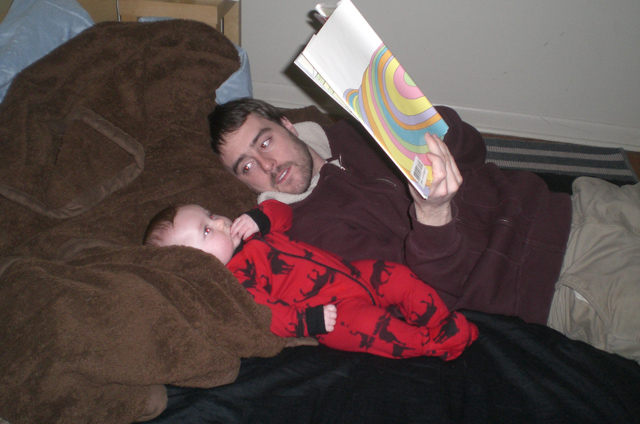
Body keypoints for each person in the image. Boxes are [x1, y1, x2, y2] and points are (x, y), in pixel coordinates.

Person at [208, 98, 640, 363]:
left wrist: (414, 112)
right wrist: (433, 214)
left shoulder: (354, 129)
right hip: (561, 281)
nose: (267, 165)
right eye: (247, 166)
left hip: (572, 203)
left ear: (287, 125)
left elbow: (472, 152)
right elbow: (427, 291)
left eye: (265, 141)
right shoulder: (308, 238)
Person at [143, 199, 478, 360]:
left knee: (399, 276)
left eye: (211, 214)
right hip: (332, 313)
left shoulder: (251, 232)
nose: (219, 222)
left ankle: (439, 319)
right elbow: (268, 313)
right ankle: (433, 343)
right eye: (206, 231)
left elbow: (284, 214)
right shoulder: (237, 279)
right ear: (197, 263)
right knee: (375, 329)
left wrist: (261, 216)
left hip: (353, 273)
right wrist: (306, 321)